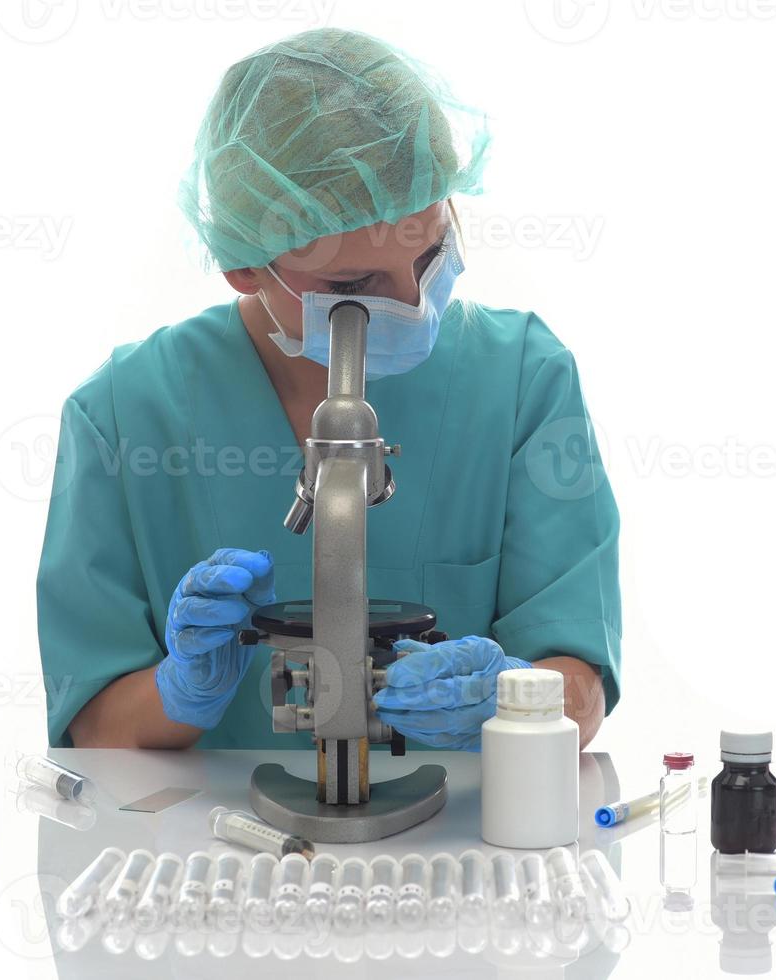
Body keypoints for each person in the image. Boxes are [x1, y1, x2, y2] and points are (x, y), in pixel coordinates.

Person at [36, 28, 620, 754]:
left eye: (431, 251)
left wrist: (518, 702)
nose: (415, 301)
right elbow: (92, 725)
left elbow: (581, 683)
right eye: (354, 286)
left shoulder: (524, 379)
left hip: (459, 850)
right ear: (245, 268)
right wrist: (175, 694)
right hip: (216, 853)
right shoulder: (122, 416)